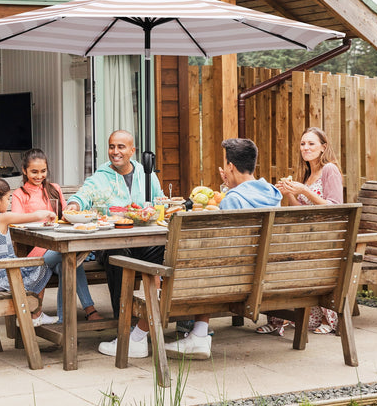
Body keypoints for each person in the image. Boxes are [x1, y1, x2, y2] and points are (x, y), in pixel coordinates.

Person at [98, 137, 282, 360]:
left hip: (227, 282)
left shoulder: (232, 200)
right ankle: (199, 333)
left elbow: (221, 251)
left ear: (231, 167)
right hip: (262, 279)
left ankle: (137, 338)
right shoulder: (272, 195)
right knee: (195, 266)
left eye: (225, 165)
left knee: (171, 267)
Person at [65, 130, 165, 324]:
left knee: (162, 249)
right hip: (112, 244)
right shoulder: (101, 176)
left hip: (143, 242)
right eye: (112, 146)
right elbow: (84, 194)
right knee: (118, 254)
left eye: (121, 147)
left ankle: (155, 315)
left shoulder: (146, 174)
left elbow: (158, 200)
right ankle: (124, 321)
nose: (115, 151)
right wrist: (74, 205)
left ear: (132, 150)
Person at [256, 126, 343, 335]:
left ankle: (321, 317)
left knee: (279, 259)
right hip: (304, 235)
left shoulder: (329, 169)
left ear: (323, 147)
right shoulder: (307, 173)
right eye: (303, 144)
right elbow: (301, 210)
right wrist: (289, 194)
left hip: (325, 238)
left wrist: (304, 190)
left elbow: (337, 208)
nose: (306, 147)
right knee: (269, 256)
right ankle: (278, 318)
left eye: (311, 143)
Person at [11, 148, 102, 323]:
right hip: (37, 253)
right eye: (34, 172)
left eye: (43, 171)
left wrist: (74, 211)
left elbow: (65, 216)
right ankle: (89, 310)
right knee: (71, 257)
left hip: (58, 248)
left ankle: (64, 319)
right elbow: (15, 221)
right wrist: (38, 216)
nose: (39, 176)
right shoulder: (20, 194)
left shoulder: (54, 189)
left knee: (71, 262)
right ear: (24, 170)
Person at [0, 176, 58, 327]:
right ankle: (36, 314)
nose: (9, 202)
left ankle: (35, 314)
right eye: (8, 199)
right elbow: (31, 216)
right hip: (7, 279)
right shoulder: (3, 218)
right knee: (47, 264)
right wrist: (48, 213)